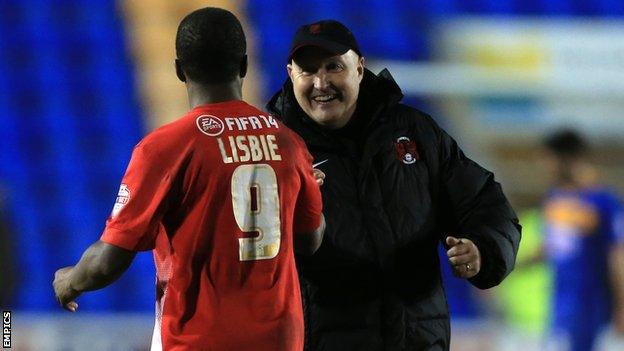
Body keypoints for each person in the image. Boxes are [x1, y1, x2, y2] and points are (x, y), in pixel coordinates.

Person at [53, 7, 325, 351]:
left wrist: (71, 280)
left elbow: (109, 261)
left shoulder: (165, 148)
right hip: (279, 340)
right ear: (243, 66)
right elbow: (310, 241)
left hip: (198, 340)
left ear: (180, 70)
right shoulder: (288, 143)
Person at [266, 19, 521, 351]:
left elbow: (483, 202)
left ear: (359, 67)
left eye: (333, 67)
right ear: (290, 74)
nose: (321, 82)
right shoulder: (274, 150)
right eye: (307, 71)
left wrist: (484, 249)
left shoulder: (416, 133)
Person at [541, 129, 624, 351]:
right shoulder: (554, 199)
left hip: (590, 303)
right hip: (559, 302)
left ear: (568, 158)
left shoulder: (603, 201)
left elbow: (617, 255)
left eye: (550, 159)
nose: (547, 166)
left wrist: (621, 306)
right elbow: (553, 247)